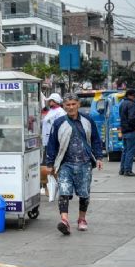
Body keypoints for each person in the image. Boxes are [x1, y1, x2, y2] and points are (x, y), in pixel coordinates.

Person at [41, 93, 103, 235]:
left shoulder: (88, 120)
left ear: (78, 105)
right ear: (64, 106)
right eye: (68, 105)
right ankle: (64, 221)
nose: (71, 107)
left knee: (84, 193)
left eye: (73, 104)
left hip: (85, 163)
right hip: (65, 164)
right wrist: (50, 163)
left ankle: (82, 219)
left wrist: (99, 157)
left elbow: (95, 139)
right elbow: (52, 144)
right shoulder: (59, 123)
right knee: (64, 192)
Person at [119, 89, 135, 177]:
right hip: (130, 130)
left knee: (125, 150)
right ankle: (128, 170)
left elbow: (125, 116)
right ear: (130, 95)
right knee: (130, 151)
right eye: (134, 96)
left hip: (124, 130)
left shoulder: (122, 104)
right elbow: (131, 118)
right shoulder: (131, 104)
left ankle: (122, 169)